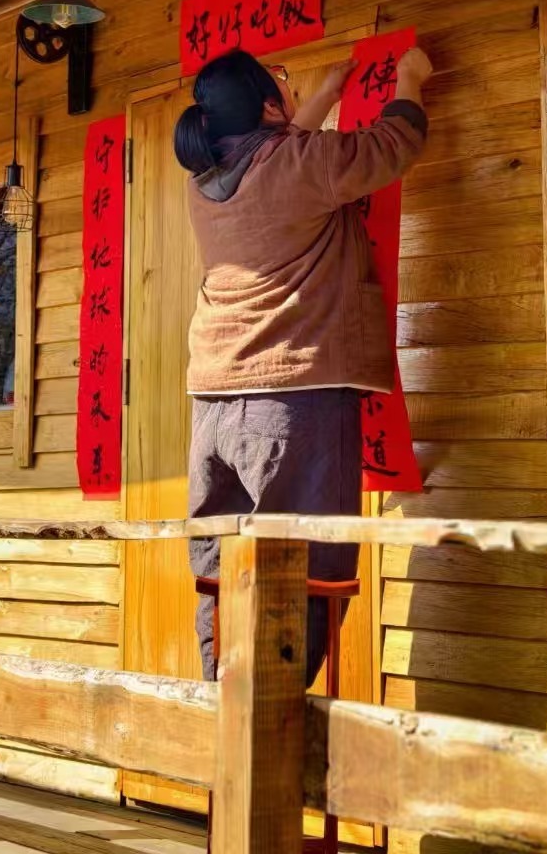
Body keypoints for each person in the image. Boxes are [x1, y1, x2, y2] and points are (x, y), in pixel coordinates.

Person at [173, 44, 432, 685]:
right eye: (282, 88)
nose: (292, 96)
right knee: (309, 566)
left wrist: (327, 90)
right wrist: (409, 78)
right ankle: (276, 726)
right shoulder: (299, 164)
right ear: (268, 105)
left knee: (221, 568)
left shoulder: (204, 184)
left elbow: (282, 154)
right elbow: (391, 145)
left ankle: (221, 712)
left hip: (214, 400)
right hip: (294, 395)